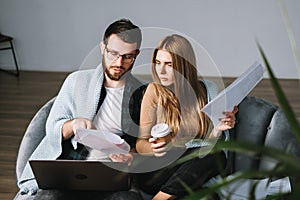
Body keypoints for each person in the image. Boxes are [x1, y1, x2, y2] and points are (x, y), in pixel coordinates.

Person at [17, 18, 146, 200]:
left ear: (136, 54)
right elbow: (52, 127)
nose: (119, 62)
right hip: (72, 167)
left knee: (129, 199)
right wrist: (73, 124)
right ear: (102, 48)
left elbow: (143, 142)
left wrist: (130, 156)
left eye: (127, 56)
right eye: (113, 53)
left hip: (112, 174)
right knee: (46, 197)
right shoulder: (76, 81)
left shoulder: (142, 93)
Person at [135, 34, 238, 200]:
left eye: (169, 64)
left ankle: (166, 196)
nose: (161, 70)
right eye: (158, 63)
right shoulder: (154, 91)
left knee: (214, 155)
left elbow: (208, 145)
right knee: (206, 156)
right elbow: (140, 143)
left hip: (188, 170)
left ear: (183, 66)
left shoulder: (207, 90)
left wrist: (219, 128)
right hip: (157, 169)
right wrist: (152, 148)